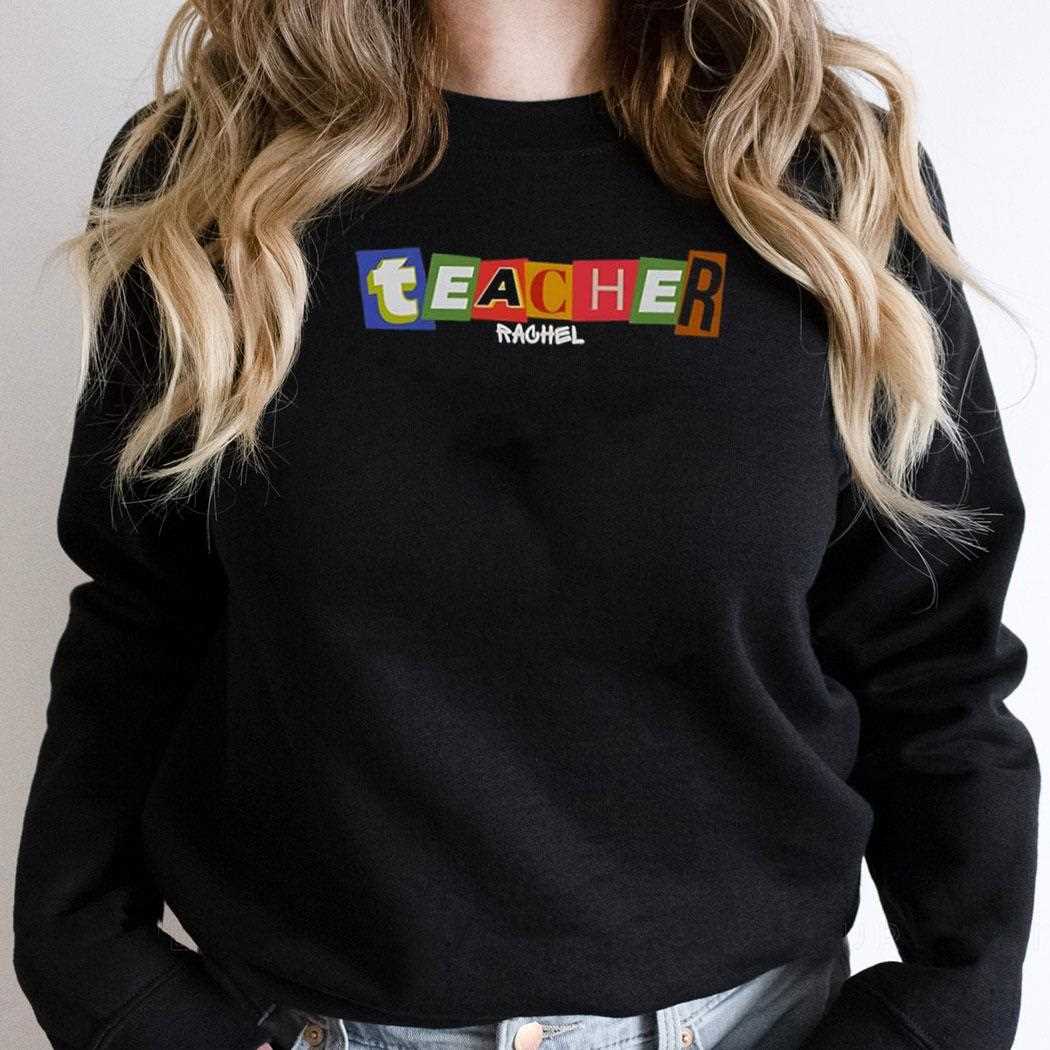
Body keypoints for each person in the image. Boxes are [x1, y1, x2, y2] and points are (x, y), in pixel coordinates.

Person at [13, 2, 1038, 1049]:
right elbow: (139, 626)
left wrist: (938, 1012)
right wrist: (101, 972)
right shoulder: (211, 173)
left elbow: (931, 652)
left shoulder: (824, 174)